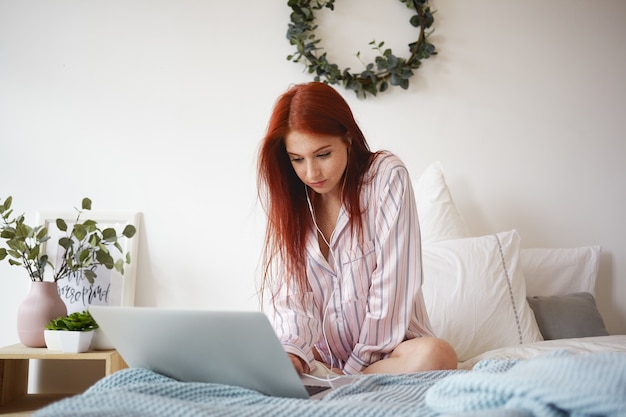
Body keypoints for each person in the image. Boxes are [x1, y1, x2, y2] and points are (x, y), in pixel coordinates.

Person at [257, 82, 457, 376]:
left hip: (390, 353)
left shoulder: (386, 176)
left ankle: (345, 384)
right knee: (262, 357)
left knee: (437, 354)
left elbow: (392, 289)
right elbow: (292, 301)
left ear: (347, 137)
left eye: (323, 154)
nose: (311, 173)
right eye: (297, 159)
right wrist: (293, 357)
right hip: (326, 358)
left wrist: (351, 373)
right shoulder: (292, 200)